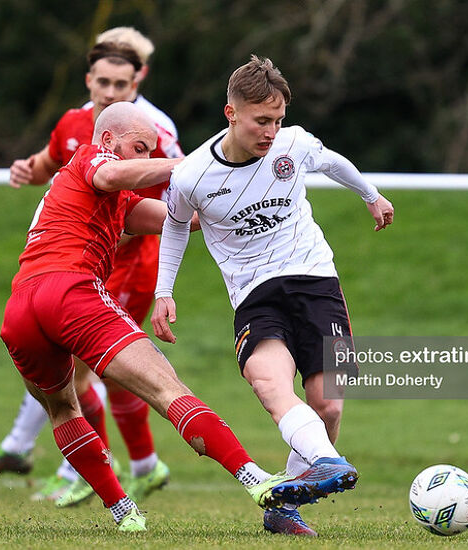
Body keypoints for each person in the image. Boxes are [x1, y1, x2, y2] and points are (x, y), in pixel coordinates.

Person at [0, 100, 354, 533]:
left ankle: (123, 512)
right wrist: (190, 165)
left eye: (152, 151)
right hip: (70, 290)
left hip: (20, 308)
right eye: (140, 148)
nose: (146, 159)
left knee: (62, 408)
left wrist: (232, 183)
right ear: (109, 140)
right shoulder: (91, 158)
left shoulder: (110, 200)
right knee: (169, 390)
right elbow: (113, 172)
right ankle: (257, 481)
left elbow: (185, 219)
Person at [151, 55, 393, 536]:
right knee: (270, 384)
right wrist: (164, 292)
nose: (271, 130)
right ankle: (327, 462)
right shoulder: (192, 175)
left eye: (278, 119)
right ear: (231, 113)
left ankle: (286, 504)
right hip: (253, 294)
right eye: (262, 120)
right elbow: (175, 226)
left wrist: (371, 195)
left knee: (329, 404)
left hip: (317, 280)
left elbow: (333, 161)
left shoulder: (293, 144)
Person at [0, 39, 177, 507]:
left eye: (122, 83)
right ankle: (138, 466)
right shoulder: (74, 123)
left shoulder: (155, 129)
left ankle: (83, 467)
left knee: (82, 372)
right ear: (89, 82)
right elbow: (51, 167)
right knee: (92, 374)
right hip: (74, 266)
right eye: (104, 82)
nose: (111, 91)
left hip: (129, 267)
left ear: (137, 82)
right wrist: (26, 170)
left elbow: (167, 196)